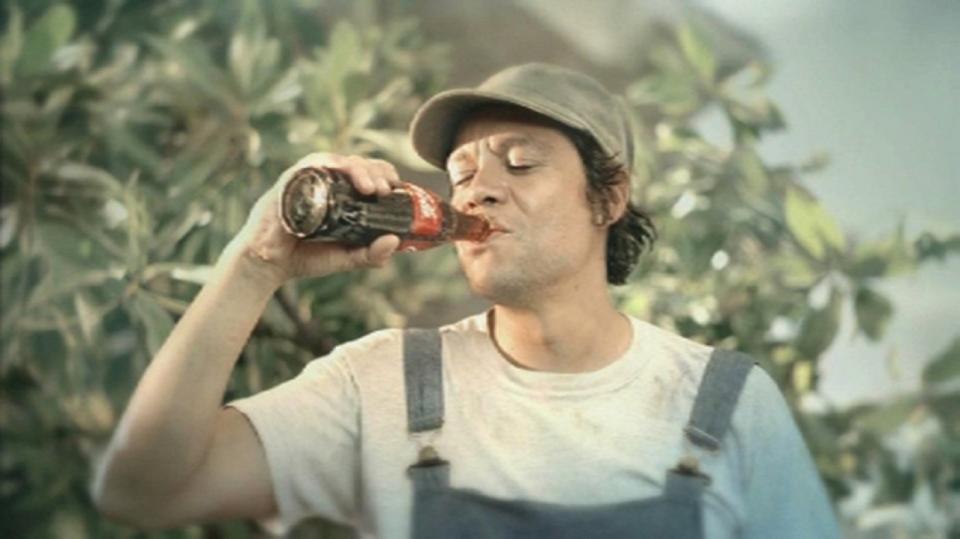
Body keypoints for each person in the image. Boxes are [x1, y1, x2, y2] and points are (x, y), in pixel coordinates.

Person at [93, 63, 840, 538]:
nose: (477, 187)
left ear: (608, 196)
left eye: (520, 160)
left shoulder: (727, 402)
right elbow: (141, 488)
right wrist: (253, 263)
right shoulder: (380, 383)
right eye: (461, 169)